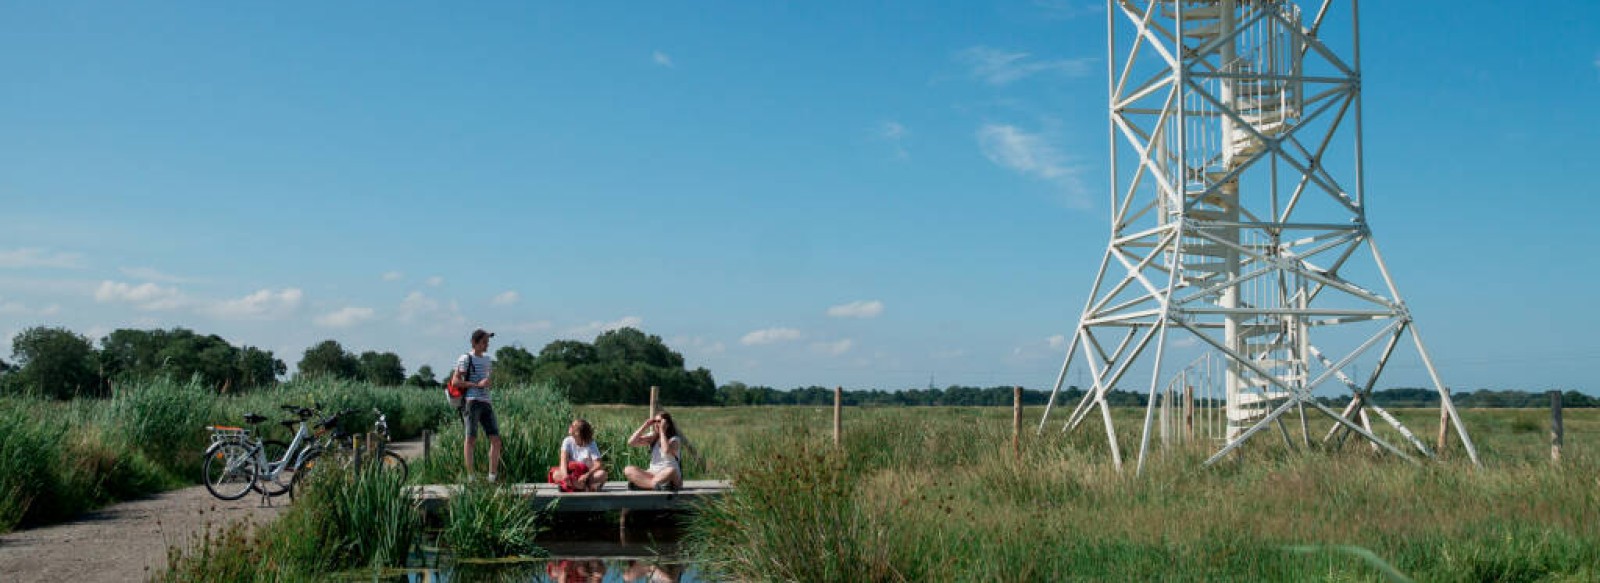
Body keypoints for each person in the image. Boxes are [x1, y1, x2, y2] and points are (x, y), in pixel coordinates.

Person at [452, 328, 502, 482]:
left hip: (486, 401)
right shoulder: (465, 358)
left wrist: (487, 384)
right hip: (472, 401)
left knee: (496, 439)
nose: (487, 345)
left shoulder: (487, 360)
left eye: (487, 341)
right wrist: (477, 385)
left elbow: (486, 380)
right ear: (475, 343)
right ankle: (471, 477)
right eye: (484, 342)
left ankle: (492, 477)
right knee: (471, 438)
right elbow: (455, 381)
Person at [623, 411, 682, 491]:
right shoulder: (653, 437)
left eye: (659, 422)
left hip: (668, 475)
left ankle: (643, 485)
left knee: (671, 470)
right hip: (653, 474)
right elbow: (631, 442)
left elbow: (666, 451)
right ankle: (655, 485)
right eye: (655, 421)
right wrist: (645, 425)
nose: (657, 424)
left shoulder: (674, 440)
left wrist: (662, 431)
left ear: (667, 424)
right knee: (628, 470)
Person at [550, 418, 606, 492]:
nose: (570, 427)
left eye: (573, 426)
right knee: (556, 474)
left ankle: (573, 486)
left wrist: (586, 475)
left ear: (579, 433)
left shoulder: (591, 443)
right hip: (571, 474)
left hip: (586, 476)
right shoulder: (567, 441)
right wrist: (565, 476)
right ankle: (584, 487)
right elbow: (563, 462)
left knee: (602, 474)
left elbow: (598, 464)